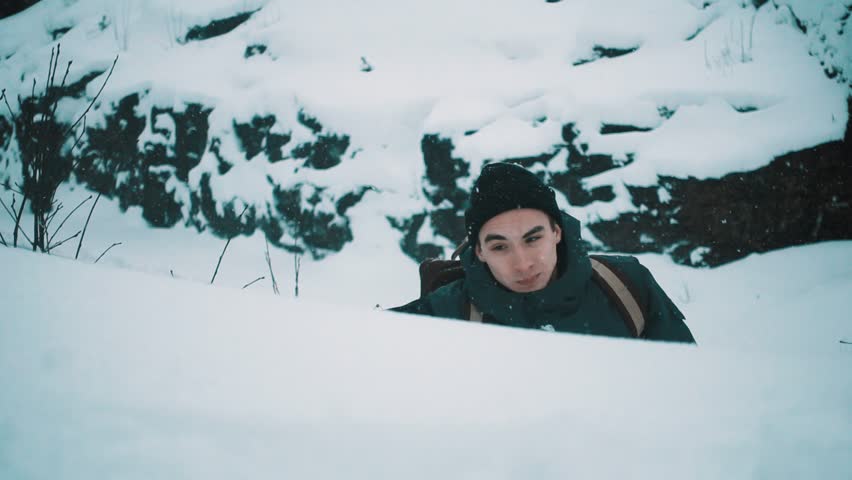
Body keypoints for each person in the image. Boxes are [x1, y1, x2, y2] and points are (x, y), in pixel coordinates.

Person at [392, 162, 695, 343]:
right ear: (480, 252)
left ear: (557, 232)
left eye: (533, 238)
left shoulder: (627, 286)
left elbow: (688, 387)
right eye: (500, 246)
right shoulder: (447, 312)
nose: (522, 263)